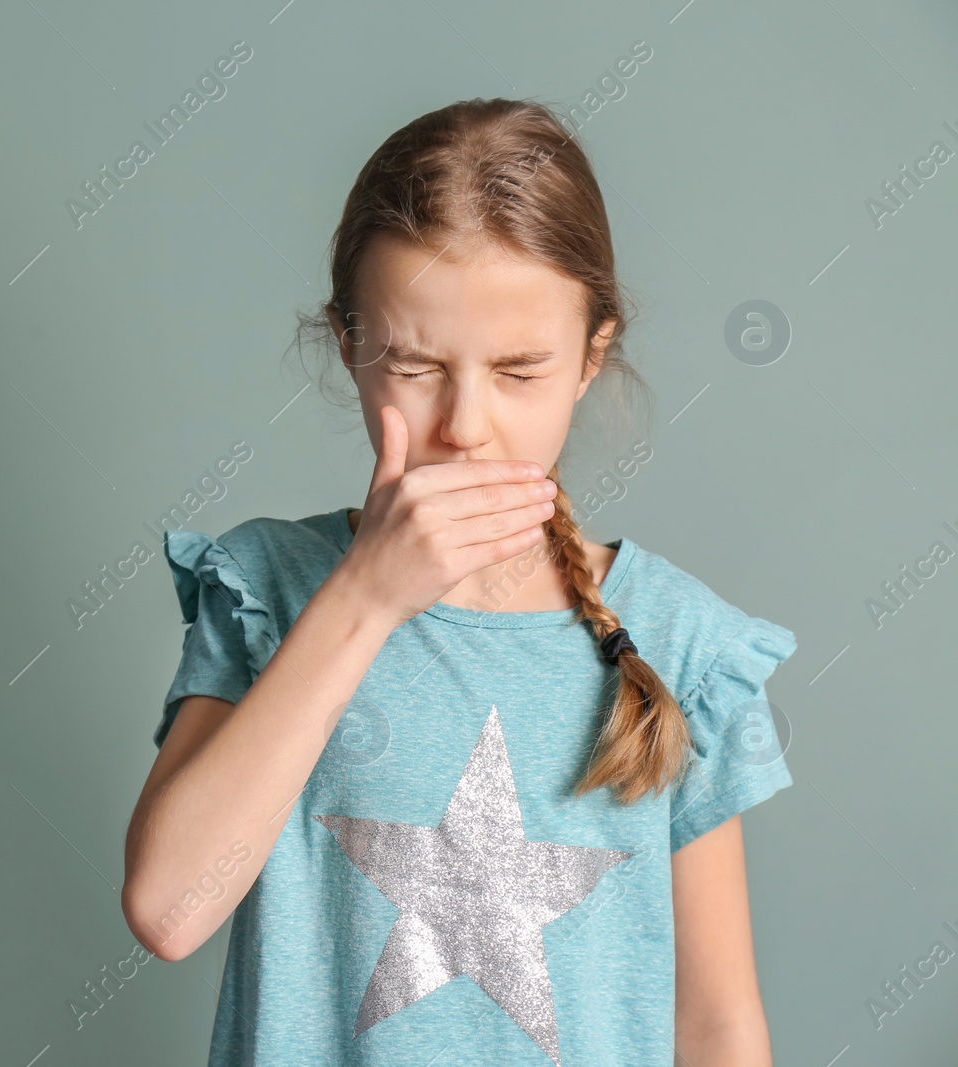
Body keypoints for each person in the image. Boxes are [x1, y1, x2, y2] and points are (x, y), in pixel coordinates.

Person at [121, 98, 795, 1067]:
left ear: (591, 358)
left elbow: (718, 1024)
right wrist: (363, 599)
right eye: (412, 363)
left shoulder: (681, 640)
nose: (465, 424)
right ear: (348, 343)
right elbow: (169, 907)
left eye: (519, 370)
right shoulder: (269, 586)